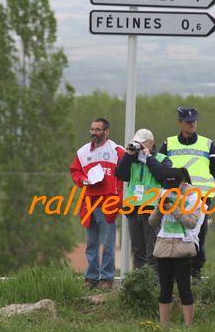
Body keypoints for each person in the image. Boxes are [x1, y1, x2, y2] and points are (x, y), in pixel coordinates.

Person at [158, 106, 215, 278]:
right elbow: (160, 168)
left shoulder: (207, 144)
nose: (191, 125)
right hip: (175, 196)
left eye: (194, 121)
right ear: (179, 123)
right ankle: (173, 269)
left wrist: (211, 187)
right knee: (173, 230)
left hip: (201, 198)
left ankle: (195, 271)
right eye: (187, 122)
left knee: (198, 233)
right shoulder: (169, 143)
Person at [70, 118, 125, 289]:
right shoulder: (83, 152)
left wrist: (119, 199)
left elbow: (125, 176)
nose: (94, 132)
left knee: (108, 244)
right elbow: (75, 171)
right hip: (89, 203)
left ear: (106, 131)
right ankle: (91, 277)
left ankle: (107, 278)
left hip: (108, 203)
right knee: (91, 243)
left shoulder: (117, 151)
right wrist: (82, 180)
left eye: (98, 129)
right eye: (92, 129)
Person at [149, 167, 204, 326]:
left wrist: (174, 209)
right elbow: (152, 222)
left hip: (183, 247)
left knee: (184, 289)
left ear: (182, 183)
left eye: (174, 186)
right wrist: (159, 209)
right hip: (163, 246)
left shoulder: (194, 197)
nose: (170, 189)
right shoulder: (163, 192)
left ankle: (188, 327)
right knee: (164, 289)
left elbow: (191, 222)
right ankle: (163, 326)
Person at [115, 128, 172, 271]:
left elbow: (161, 175)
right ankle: (139, 282)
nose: (139, 146)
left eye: (142, 143)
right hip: (133, 208)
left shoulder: (161, 159)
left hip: (151, 209)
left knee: (152, 249)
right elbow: (120, 174)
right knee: (137, 249)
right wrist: (128, 154)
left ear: (151, 143)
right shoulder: (132, 160)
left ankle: (154, 282)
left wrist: (148, 157)